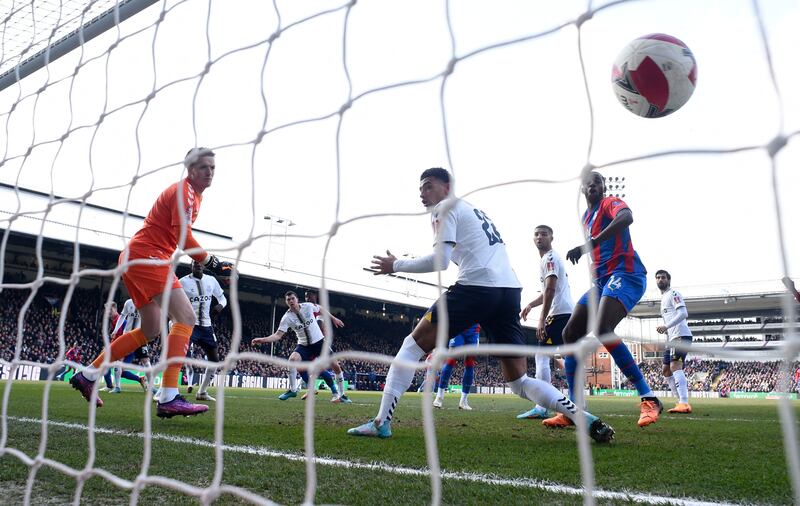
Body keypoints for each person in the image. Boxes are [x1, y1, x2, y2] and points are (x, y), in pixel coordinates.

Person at [347, 168, 614, 443]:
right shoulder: (472, 210)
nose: (422, 193)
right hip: (508, 291)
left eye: (428, 186)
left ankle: (381, 422)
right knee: (519, 382)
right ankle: (584, 417)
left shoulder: (444, 208)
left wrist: (397, 265)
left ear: (446, 187)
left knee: (411, 346)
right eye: (420, 188)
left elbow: (440, 260)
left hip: (476, 287)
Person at [70, 147, 233, 418]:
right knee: (186, 317)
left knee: (151, 327)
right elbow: (183, 238)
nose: (210, 172)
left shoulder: (193, 196)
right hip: (149, 256)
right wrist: (212, 262)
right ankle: (169, 395)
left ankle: (89, 375)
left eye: (213, 167)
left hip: (136, 256)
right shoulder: (184, 191)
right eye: (204, 167)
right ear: (190, 169)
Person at [543, 171, 662, 430]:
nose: (592, 185)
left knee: (602, 329)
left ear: (604, 187)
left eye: (597, 182)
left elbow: (627, 217)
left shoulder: (609, 204)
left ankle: (649, 397)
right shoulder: (586, 217)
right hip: (603, 281)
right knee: (570, 333)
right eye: (587, 183)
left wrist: (590, 244)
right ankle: (574, 409)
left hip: (626, 273)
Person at [518, 224, 574, 419]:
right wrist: (531, 305)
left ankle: (543, 406)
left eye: (544, 234)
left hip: (559, 313)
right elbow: (548, 291)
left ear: (552, 237)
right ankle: (573, 401)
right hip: (565, 311)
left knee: (541, 355)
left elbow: (550, 290)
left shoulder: (549, 258)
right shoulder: (549, 258)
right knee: (564, 356)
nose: (539, 237)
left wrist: (541, 318)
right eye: (536, 234)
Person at [251, 291, 342, 403]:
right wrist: (262, 340)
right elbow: (277, 335)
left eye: (292, 298)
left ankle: (336, 393)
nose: (291, 301)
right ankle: (293, 390)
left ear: (297, 299)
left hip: (319, 342)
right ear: (286, 302)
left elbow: (321, 309)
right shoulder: (286, 317)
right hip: (304, 346)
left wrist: (333, 318)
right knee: (293, 360)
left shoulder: (308, 307)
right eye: (288, 300)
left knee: (334, 365)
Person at [177, 259, 228, 402]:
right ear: (191, 266)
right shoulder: (182, 282)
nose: (198, 264)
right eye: (195, 262)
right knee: (178, 356)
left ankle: (202, 392)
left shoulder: (211, 280)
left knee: (214, 359)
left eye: (200, 262)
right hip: (189, 325)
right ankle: (166, 390)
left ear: (204, 265)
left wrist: (220, 306)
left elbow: (222, 298)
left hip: (206, 326)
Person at [304, 290, 351, 403]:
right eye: (305, 296)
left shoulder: (318, 310)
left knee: (334, 366)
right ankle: (333, 392)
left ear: (315, 296)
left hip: (320, 343)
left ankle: (340, 394)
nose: (307, 298)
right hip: (308, 343)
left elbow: (320, 326)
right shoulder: (306, 309)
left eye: (309, 296)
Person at [655, 270, 693, 414]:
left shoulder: (673, 294)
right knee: (666, 370)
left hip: (681, 336)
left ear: (669, 280)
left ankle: (684, 403)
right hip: (671, 338)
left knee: (675, 366)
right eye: (657, 278)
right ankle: (679, 401)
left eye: (663, 277)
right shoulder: (664, 297)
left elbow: (683, 313)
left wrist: (666, 326)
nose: (660, 280)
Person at [109, 298, 152, 394]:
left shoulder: (146, 303)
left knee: (146, 361)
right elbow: (122, 316)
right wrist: (116, 330)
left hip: (140, 336)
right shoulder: (128, 302)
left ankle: (151, 387)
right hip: (127, 335)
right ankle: (117, 387)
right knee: (118, 361)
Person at [433, 323, 479, 411]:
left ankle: (463, 401)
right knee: (451, 359)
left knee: (470, 363)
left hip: (474, 329)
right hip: (459, 326)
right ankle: (439, 397)